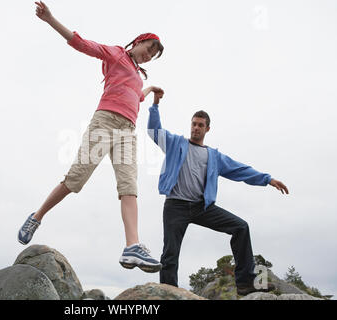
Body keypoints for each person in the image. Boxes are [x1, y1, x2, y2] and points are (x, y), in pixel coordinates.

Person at [18, 1, 165, 273]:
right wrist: (51, 19)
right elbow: (82, 43)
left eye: (152, 56)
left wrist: (150, 88)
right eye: (148, 49)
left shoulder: (137, 74)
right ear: (139, 41)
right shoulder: (116, 55)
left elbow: (135, 97)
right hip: (105, 122)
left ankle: (132, 246)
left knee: (128, 186)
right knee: (76, 178)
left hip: (127, 132)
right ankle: (36, 217)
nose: (148, 56)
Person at [147, 91, 289, 294]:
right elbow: (154, 130)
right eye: (193, 124)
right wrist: (155, 105)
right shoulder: (175, 143)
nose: (196, 128)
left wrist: (268, 179)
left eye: (200, 125)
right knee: (170, 253)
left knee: (241, 227)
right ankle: (169, 293)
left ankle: (245, 282)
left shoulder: (213, 156)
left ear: (207, 128)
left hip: (201, 207)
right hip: (175, 206)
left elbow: (240, 169)